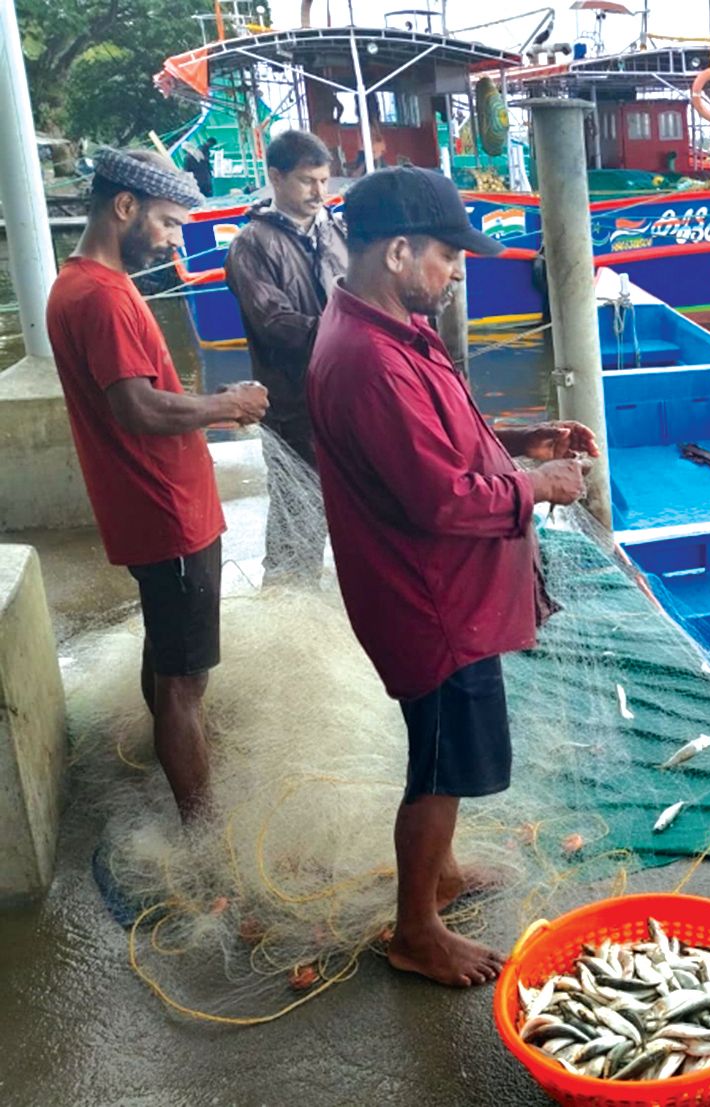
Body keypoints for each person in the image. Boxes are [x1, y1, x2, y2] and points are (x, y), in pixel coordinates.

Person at [306, 166, 597, 987]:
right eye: (448, 254)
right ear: (398, 251)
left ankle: (445, 872)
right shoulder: (369, 358)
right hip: (429, 601)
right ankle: (416, 929)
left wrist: (521, 442)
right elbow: (438, 496)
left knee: (449, 753)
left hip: (442, 591)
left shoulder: (392, 327)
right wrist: (538, 486)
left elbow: (439, 438)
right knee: (438, 765)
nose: (458, 271)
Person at [46, 148, 269, 821]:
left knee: (167, 657)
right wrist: (226, 405)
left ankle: (174, 768)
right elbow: (137, 408)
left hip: (155, 510)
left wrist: (216, 407)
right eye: (169, 223)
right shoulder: (104, 297)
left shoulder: (76, 285)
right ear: (125, 206)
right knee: (184, 683)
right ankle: (202, 829)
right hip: (168, 512)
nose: (175, 241)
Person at [224, 129, 348, 585]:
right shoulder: (251, 244)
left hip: (347, 398)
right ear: (275, 178)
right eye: (307, 181)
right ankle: (287, 600)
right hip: (293, 406)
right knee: (297, 518)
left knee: (358, 509)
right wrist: (353, 336)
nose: (319, 192)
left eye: (324, 180)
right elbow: (274, 323)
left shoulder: (337, 232)